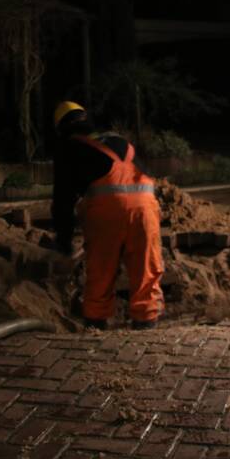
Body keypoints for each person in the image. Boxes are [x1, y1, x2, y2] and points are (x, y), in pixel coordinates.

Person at [51, 101, 164, 329]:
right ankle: (146, 323)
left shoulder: (71, 147)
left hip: (107, 211)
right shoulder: (119, 140)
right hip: (146, 208)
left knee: (101, 270)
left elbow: (63, 199)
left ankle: (96, 324)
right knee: (145, 269)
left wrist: (63, 241)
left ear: (61, 128)